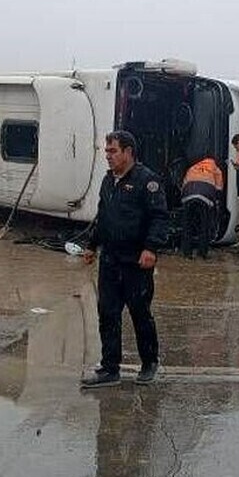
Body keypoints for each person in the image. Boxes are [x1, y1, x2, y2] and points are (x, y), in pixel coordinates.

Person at [81, 131, 169, 387]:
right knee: (108, 314)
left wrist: (151, 248)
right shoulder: (108, 180)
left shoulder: (147, 181)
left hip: (136, 262)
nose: (108, 156)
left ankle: (149, 363)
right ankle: (110, 368)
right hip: (110, 261)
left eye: (113, 151)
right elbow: (103, 216)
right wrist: (92, 244)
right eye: (106, 152)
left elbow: (159, 217)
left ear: (128, 152)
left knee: (140, 313)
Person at [179, 156, 224, 259]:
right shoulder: (216, 170)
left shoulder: (193, 168)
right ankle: (202, 253)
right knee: (204, 226)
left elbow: (184, 185)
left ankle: (187, 253)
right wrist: (216, 202)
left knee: (187, 225)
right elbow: (219, 188)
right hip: (205, 198)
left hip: (188, 196)